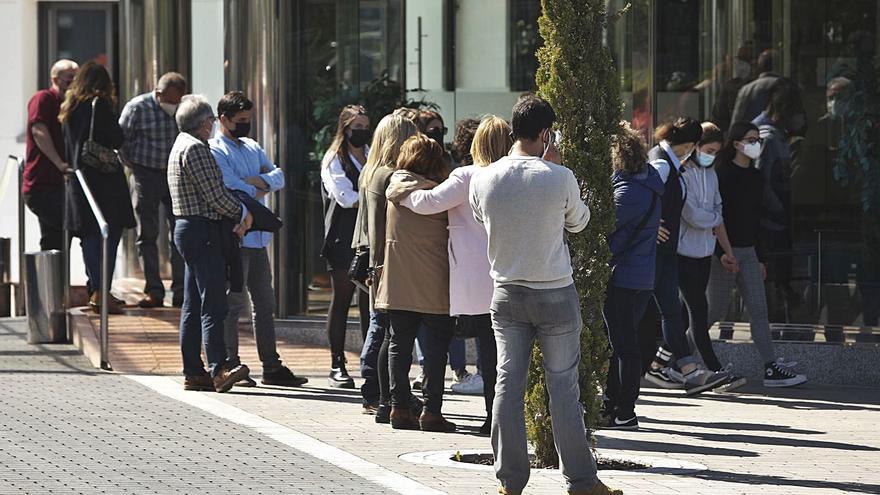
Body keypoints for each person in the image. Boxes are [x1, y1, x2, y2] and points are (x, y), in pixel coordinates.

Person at [470, 95, 619, 495]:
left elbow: (481, 218)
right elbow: (580, 223)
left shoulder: (483, 177)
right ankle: (581, 481)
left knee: (508, 383)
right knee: (563, 387)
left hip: (506, 292)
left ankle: (510, 481)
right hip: (554, 292)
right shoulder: (559, 176)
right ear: (545, 133)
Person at [401, 115, 511, 434]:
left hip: (470, 279)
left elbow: (428, 202)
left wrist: (398, 188)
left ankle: (454, 410)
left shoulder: (466, 176)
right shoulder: (512, 175)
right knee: (498, 356)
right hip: (507, 274)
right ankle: (497, 415)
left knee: (464, 348)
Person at [210, 91, 308, 388]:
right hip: (237, 237)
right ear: (223, 119)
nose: (246, 125)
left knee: (265, 304)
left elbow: (279, 176)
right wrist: (258, 185)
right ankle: (232, 364)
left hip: (259, 240)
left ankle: (271, 364)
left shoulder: (252, 146)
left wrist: (256, 184)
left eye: (249, 120)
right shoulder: (216, 150)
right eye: (240, 120)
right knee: (233, 304)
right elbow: (232, 189)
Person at [707, 122, 808, 388]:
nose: (755, 145)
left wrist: (761, 257)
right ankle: (682, 360)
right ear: (737, 144)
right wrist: (721, 252)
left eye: (758, 140)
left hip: (749, 251)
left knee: (759, 309)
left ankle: (771, 366)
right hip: (723, 253)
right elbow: (716, 218)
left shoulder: (756, 176)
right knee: (712, 311)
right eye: (750, 139)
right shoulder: (722, 174)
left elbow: (759, 218)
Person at [167, 94, 253, 393]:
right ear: (205, 123)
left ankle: (194, 371)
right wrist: (244, 213)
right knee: (213, 302)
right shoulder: (196, 148)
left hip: (188, 229)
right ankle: (218, 369)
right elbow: (215, 196)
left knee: (193, 303)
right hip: (202, 231)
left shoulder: (180, 144)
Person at [642, 118, 730, 395]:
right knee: (666, 311)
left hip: (670, 252)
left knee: (672, 311)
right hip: (663, 251)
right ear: (691, 145)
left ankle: (681, 370)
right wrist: (650, 223)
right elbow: (640, 193)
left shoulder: (672, 163)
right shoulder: (662, 163)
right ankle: (690, 369)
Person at [377, 134, 456, 433]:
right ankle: (432, 412)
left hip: (398, 280)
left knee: (399, 344)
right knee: (436, 350)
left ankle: (398, 407)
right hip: (435, 280)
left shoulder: (394, 190)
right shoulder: (437, 196)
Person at [354, 113, 421, 420]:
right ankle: (382, 393)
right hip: (385, 261)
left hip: (373, 258)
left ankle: (383, 394)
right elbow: (384, 226)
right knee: (386, 332)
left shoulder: (370, 172)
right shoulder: (388, 176)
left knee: (382, 329)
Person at [60, 61, 136, 315]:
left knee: (89, 238)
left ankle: (96, 289)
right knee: (108, 236)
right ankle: (102, 292)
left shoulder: (69, 107)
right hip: (104, 183)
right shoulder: (98, 105)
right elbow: (116, 139)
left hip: (79, 182)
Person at [600, 122, 663, 431]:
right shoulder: (648, 183)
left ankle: (625, 410)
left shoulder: (627, 191)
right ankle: (613, 405)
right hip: (641, 277)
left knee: (624, 346)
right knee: (622, 343)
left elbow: (602, 225)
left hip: (623, 277)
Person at [676, 122, 745, 390]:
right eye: (708, 150)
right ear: (695, 147)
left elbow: (717, 214)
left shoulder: (711, 175)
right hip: (684, 252)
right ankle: (714, 368)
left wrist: (727, 252)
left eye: (716, 151)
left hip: (704, 251)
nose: (711, 155)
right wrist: (713, 219)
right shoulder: (684, 173)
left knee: (683, 313)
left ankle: (661, 363)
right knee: (698, 308)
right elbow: (692, 215)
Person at [118, 72, 188, 308]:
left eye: (177, 101)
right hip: (145, 174)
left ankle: (181, 290)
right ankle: (154, 290)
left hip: (175, 176)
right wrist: (134, 166)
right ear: (158, 95)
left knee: (180, 231)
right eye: (170, 101)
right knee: (147, 233)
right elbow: (122, 141)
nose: (174, 106)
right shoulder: (137, 107)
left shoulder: (183, 108)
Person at [320, 105, 371, 389]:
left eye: (366, 126)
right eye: (357, 127)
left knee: (369, 301)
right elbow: (344, 197)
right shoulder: (334, 159)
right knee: (342, 298)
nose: (362, 131)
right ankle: (337, 363)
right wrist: (374, 196)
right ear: (345, 129)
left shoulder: (372, 154)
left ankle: (369, 361)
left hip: (368, 237)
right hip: (342, 236)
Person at [23, 59, 78, 251]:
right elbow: (39, 131)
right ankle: (48, 280)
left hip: (64, 184)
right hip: (43, 184)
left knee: (58, 236)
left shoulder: (72, 104)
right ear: (55, 79)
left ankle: (56, 280)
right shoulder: (43, 99)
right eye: (70, 77)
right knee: (61, 232)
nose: (75, 82)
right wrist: (60, 164)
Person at [730, 49, 780, 127]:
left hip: (751, 136)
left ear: (759, 66)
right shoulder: (785, 86)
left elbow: (736, 121)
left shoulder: (746, 90)